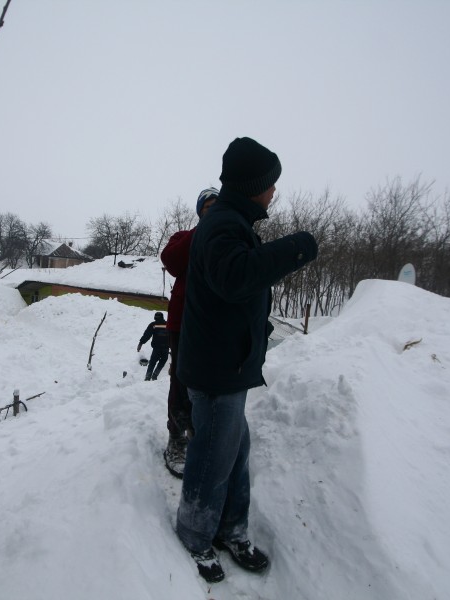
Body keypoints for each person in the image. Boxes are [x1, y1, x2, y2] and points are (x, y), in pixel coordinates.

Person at [175, 137, 318, 583]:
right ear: (254, 185)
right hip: (217, 370)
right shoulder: (221, 225)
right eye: (271, 184)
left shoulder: (233, 222)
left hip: (227, 365)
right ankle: (196, 535)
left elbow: (236, 288)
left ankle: (232, 528)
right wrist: (296, 247)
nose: (275, 191)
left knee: (234, 450)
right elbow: (236, 278)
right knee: (212, 457)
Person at [159, 187, 219, 479]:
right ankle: (177, 437)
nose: (214, 212)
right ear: (199, 212)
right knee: (181, 379)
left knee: (208, 384)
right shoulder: (184, 237)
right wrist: (203, 231)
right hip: (183, 324)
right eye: (208, 208)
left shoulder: (227, 241)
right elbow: (171, 261)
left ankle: (199, 433)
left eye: (218, 207)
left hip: (215, 326)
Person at [137, 311, 169, 381]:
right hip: (166, 348)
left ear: (155, 318)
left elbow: (147, 335)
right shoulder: (168, 324)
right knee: (163, 361)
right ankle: (155, 375)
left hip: (157, 348)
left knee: (152, 362)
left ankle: (148, 377)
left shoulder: (153, 325)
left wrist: (141, 343)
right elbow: (173, 336)